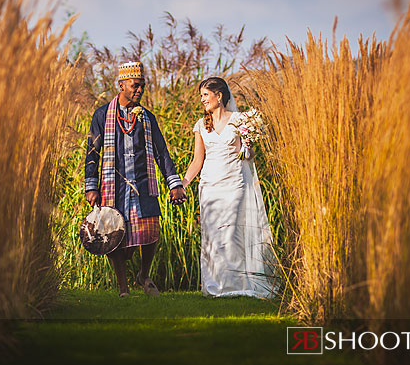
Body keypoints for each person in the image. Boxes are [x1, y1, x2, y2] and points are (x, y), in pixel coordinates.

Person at [84, 61, 187, 297]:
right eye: (134, 86)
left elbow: (161, 151)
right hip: (114, 186)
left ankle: (144, 274)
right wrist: (91, 186)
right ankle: (123, 288)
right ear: (121, 85)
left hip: (142, 184)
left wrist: (174, 184)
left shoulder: (147, 118)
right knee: (113, 234)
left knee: (151, 230)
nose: (139, 90)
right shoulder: (102, 115)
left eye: (142, 86)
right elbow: (92, 152)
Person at [182, 77, 276, 298]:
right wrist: (183, 183)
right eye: (201, 96)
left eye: (205, 95)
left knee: (232, 233)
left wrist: (249, 146)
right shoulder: (200, 125)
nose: (202, 100)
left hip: (234, 183)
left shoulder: (241, 120)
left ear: (219, 95)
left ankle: (236, 285)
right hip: (209, 186)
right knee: (214, 235)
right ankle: (216, 285)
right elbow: (197, 160)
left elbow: (248, 156)